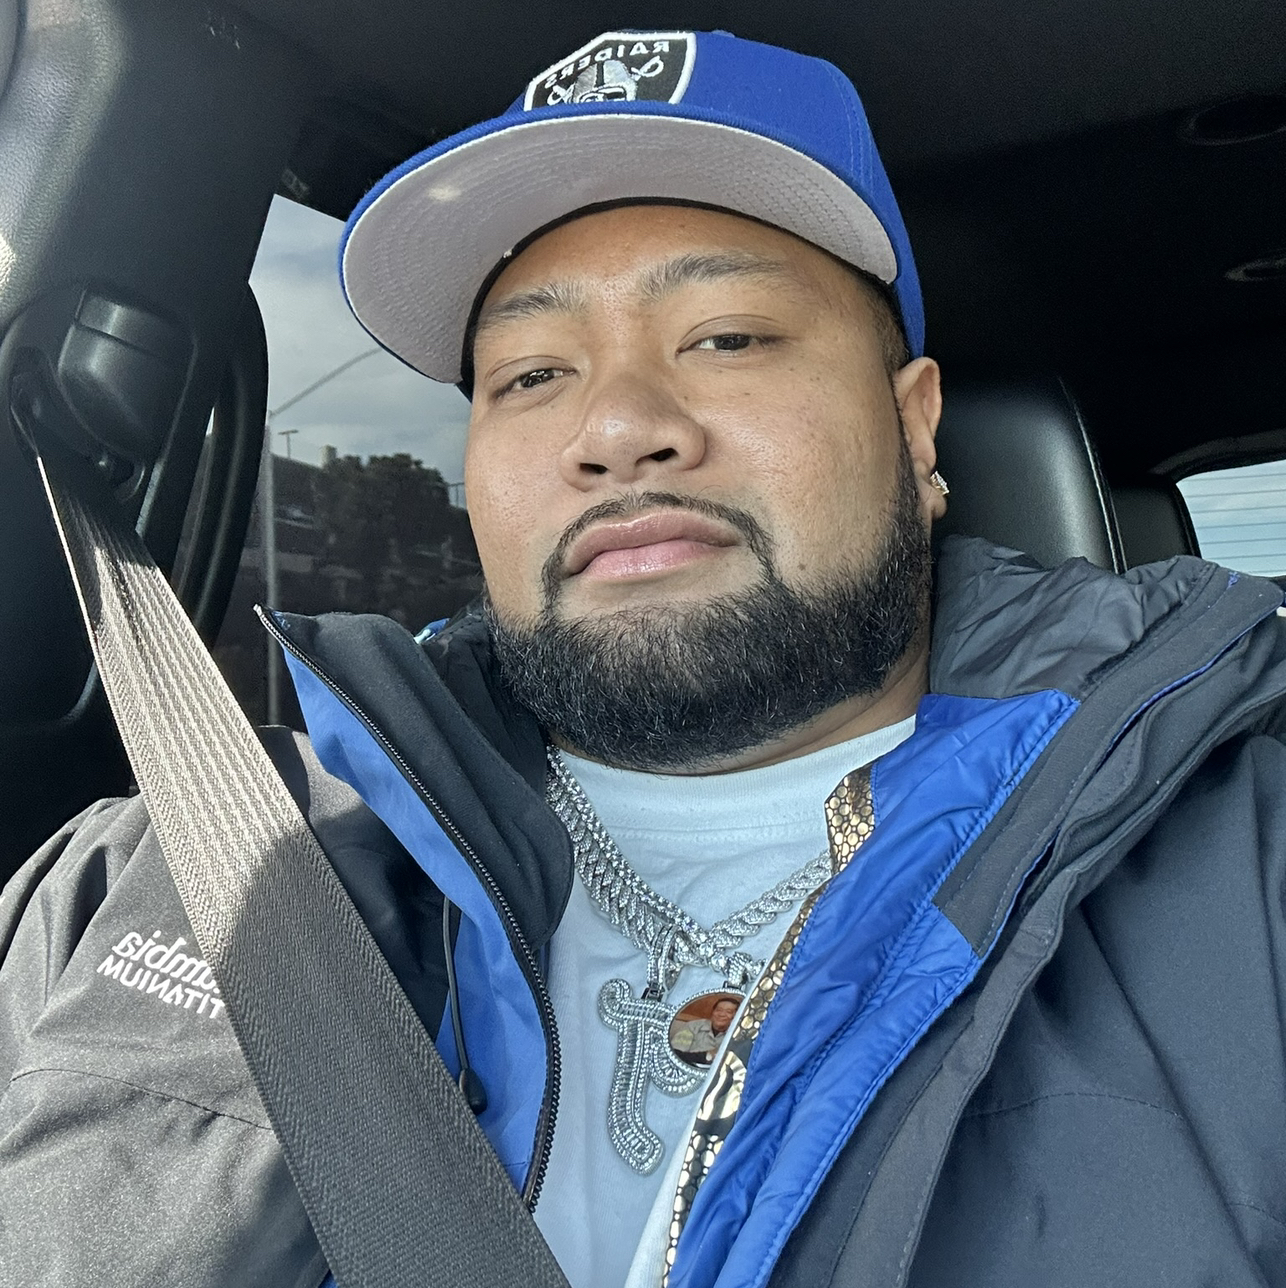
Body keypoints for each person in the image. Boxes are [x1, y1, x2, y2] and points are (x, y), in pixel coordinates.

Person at [2, 26, 1285, 1288]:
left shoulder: (1246, 880)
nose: (616, 428)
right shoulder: (174, 868)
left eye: (726, 337)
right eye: (529, 374)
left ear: (914, 428)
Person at [671, 996, 741, 1065]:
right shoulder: (693, 1026)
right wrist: (707, 1056)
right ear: (712, 1012)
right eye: (718, 1010)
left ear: (736, 1016)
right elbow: (675, 1054)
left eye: (729, 1012)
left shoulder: (738, 1036)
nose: (721, 1014)